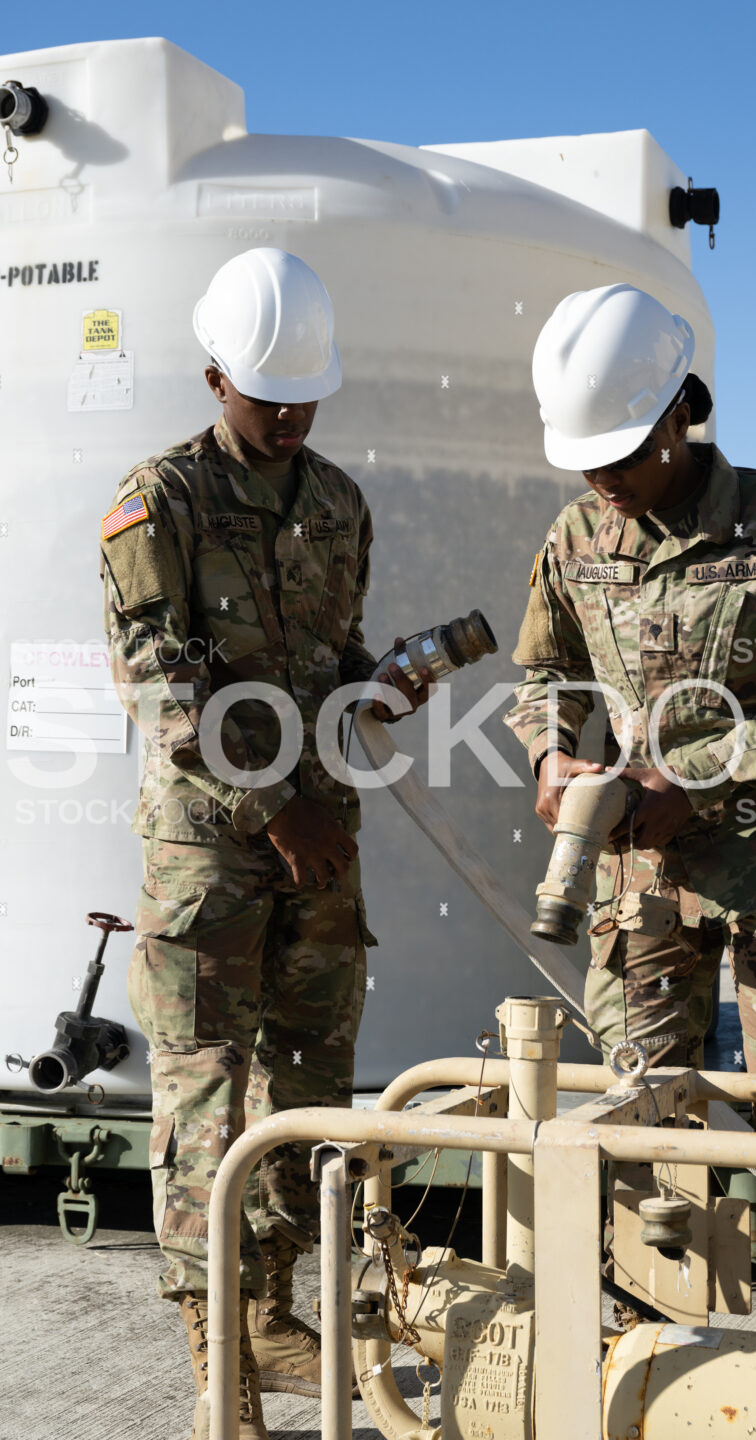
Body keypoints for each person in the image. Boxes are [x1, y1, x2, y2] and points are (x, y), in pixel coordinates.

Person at [505, 283, 756, 1322]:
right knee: (637, 1123)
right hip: (643, 882)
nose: (605, 481)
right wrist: (551, 755)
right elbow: (546, 677)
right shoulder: (576, 538)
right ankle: (651, 1349)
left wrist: (702, 773)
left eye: (624, 456)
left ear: (681, 412)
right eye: (588, 463)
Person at [101, 248, 430, 1437]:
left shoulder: (338, 502)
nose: (291, 419)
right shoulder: (160, 502)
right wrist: (272, 807)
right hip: (214, 852)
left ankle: (270, 1315)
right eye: (268, 399)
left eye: (307, 398)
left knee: (306, 1087)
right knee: (204, 1103)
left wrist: (375, 685)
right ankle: (215, 1361)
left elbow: (331, 652)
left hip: (318, 843)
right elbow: (159, 684)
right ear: (215, 381)